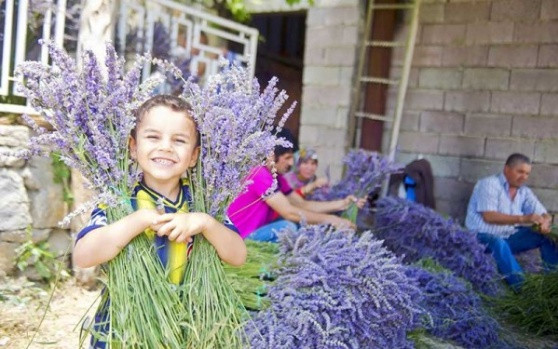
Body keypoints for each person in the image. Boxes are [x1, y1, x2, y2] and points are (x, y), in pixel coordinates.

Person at [73, 95, 246, 347]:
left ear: (194, 156)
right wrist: (139, 220)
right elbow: (83, 256)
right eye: (153, 137)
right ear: (133, 147)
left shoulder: (204, 203)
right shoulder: (118, 201)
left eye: (179, 140)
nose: (166, 147)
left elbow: (238, 255)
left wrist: (206, 224)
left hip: (188, 330)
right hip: (122, 330)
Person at [227, 129, 363, 242]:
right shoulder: (259, 174)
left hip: (256, 232)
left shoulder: (277, 178)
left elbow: (303, 205)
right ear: (270, 155)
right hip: (239, 238)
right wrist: (332, 220)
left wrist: (343, 204)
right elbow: (289, 212)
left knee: (298, 225)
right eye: (287, 158)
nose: (292, 163)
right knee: (288, 227)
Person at [465, 153, 557, 290]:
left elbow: (545, 214)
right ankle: (524, 290)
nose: (524, 177)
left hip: (508, 235)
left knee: (546, 236)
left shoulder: (524, 192)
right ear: (507, 169)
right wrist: (523, 218)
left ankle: (552, 285)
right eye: (520, 172)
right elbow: (489, 217)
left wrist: (545, 221)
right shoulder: (489, 184)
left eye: (527, 174)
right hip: (481, 236)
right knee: (498, 243)